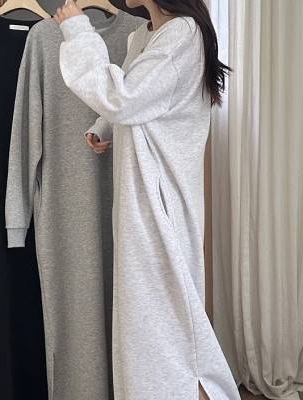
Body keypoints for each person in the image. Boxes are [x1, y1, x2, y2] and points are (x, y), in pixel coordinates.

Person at [54, 1, 240, 399]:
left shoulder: (183, 33)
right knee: (148, 323)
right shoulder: (145, 35)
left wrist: (79, 31)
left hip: (161, 201)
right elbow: (139, 95)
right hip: (140, 200)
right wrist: (104, 126)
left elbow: (124, 98)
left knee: (171, 324)